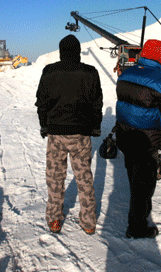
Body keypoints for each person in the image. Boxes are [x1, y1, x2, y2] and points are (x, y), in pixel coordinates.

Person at [35, 34, 103, 235]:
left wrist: (44, 126)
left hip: (56, 134)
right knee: (84, 178)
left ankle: (55, 219)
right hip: (81, 135)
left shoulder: (49, 71)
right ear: (78, 51)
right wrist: (95, 127)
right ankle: (89, 222)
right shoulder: (90, 72)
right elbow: (96, 104)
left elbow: (42, 103)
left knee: (55, 178)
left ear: (60, 51)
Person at [115, 39, 161, 238]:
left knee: (133, 175)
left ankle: (136, 211)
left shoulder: (126, 74)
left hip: (125, 134)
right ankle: (137, 227)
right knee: (144, 185)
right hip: (147, 139)